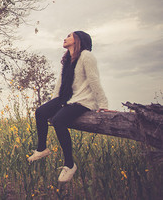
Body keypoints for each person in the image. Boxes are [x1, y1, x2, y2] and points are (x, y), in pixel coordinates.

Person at [27, 31, 109, 183]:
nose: (65, 38)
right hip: (66, 98)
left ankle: (70, 164)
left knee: (58, 121)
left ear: (78, 40)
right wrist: (52, 104)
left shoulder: (86, 56)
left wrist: (103, 104)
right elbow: (60, 83)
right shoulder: (67, 60)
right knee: (40, 112)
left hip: (83, 100)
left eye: (69, 36)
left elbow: (93, 79)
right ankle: (42, 149)